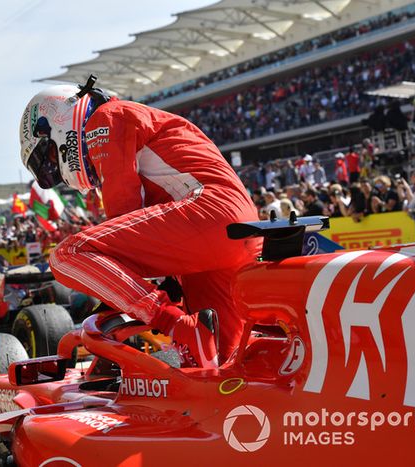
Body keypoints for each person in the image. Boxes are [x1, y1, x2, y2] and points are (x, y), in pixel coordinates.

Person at [19, 79, 260, 366]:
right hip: (234, 227)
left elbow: (123, 209)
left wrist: (118, 291)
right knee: (218, 361)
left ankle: (174, 323)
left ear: (55, 123)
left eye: (48, 156)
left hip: (209, 212)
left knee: (67, 255)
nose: (56, 169)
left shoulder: (106, 117)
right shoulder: (136, 117)